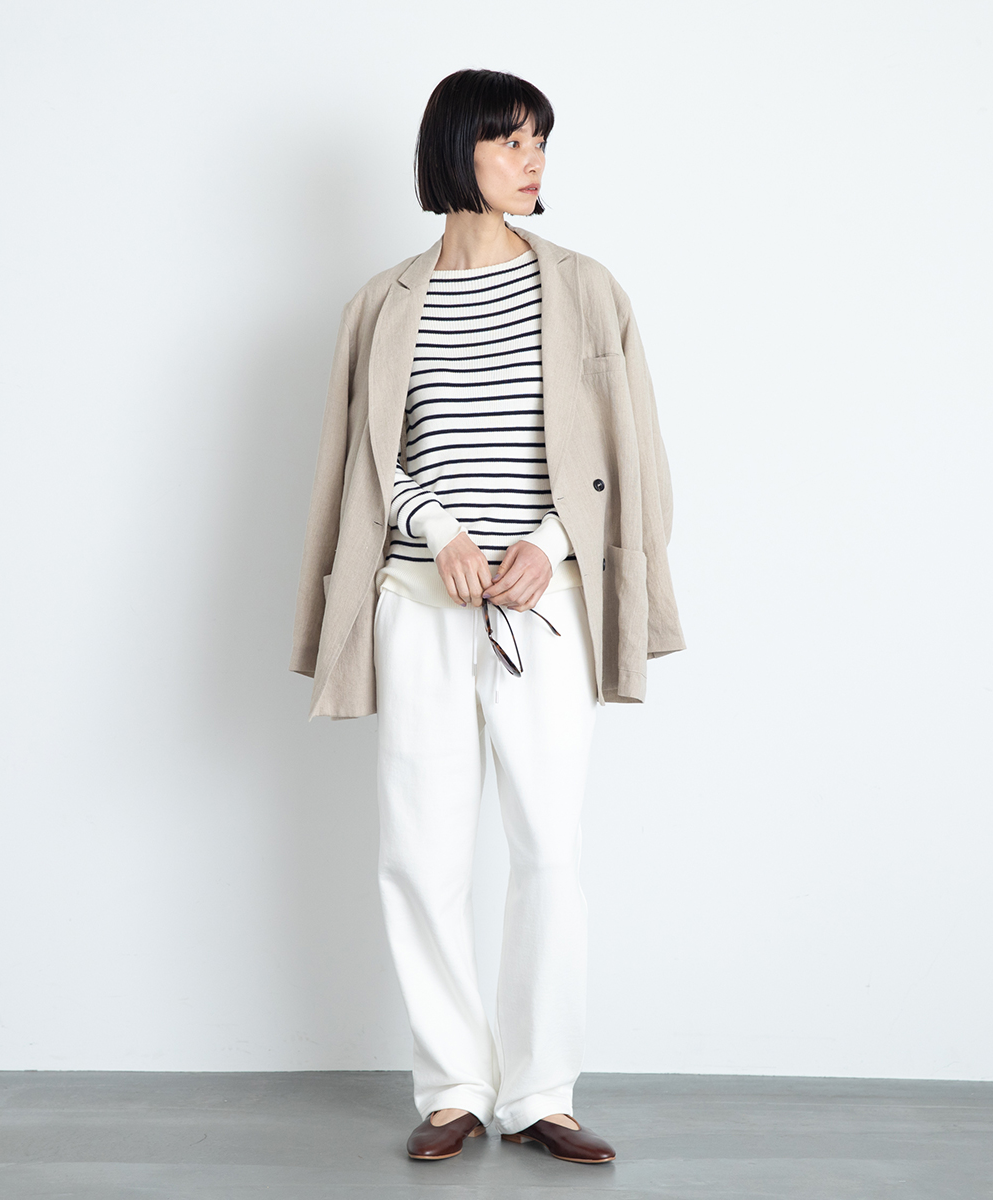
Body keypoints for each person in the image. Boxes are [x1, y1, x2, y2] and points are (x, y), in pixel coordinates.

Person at [290, 68, 684, 1166]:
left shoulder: (586, 290)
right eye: (510, 140)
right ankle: (456, 1087)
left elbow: (630, 455)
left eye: (540, 141)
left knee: (548, 848)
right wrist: (439, 531)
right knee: (421, 853)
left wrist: (548, 543)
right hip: (419, 606)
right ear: (453, 149)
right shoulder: (382, 304)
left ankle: (541, 1092)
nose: (533, 158)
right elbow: (370, 461)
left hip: (544, 612)